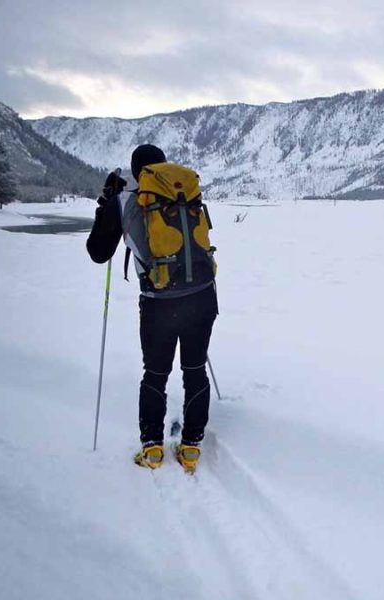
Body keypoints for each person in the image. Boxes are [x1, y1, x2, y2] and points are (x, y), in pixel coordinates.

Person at [86, 144, 218, 473]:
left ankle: (153, 449)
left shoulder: (125, 198)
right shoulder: (183, 191)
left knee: (156, 375)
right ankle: (190, 448)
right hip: (202, 296)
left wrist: (106, 205)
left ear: (136, 170)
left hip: (160, 305)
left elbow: (98, 252)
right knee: (195, 370)